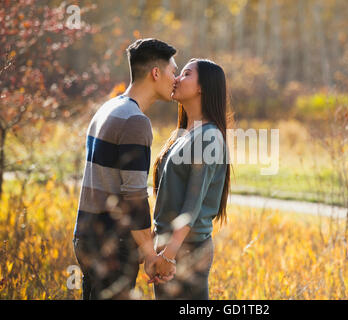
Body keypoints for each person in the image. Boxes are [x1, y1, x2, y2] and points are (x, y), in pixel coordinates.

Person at [73, 38, 178, 299]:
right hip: (111, 244)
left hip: (87, 236)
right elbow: (134, 196)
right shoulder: (135, 121)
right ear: (156, 73)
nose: (175, 79)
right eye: (173, 71)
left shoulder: (108, 108)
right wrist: (150, 253)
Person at [151, 58, 232, 300]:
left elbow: (192, 205)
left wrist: (169, 254)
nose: (176, 78)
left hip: (187, 250)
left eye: (186, 74)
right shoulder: (184, 134)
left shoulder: (208, 137)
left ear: (201, 88)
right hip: (170, 246)